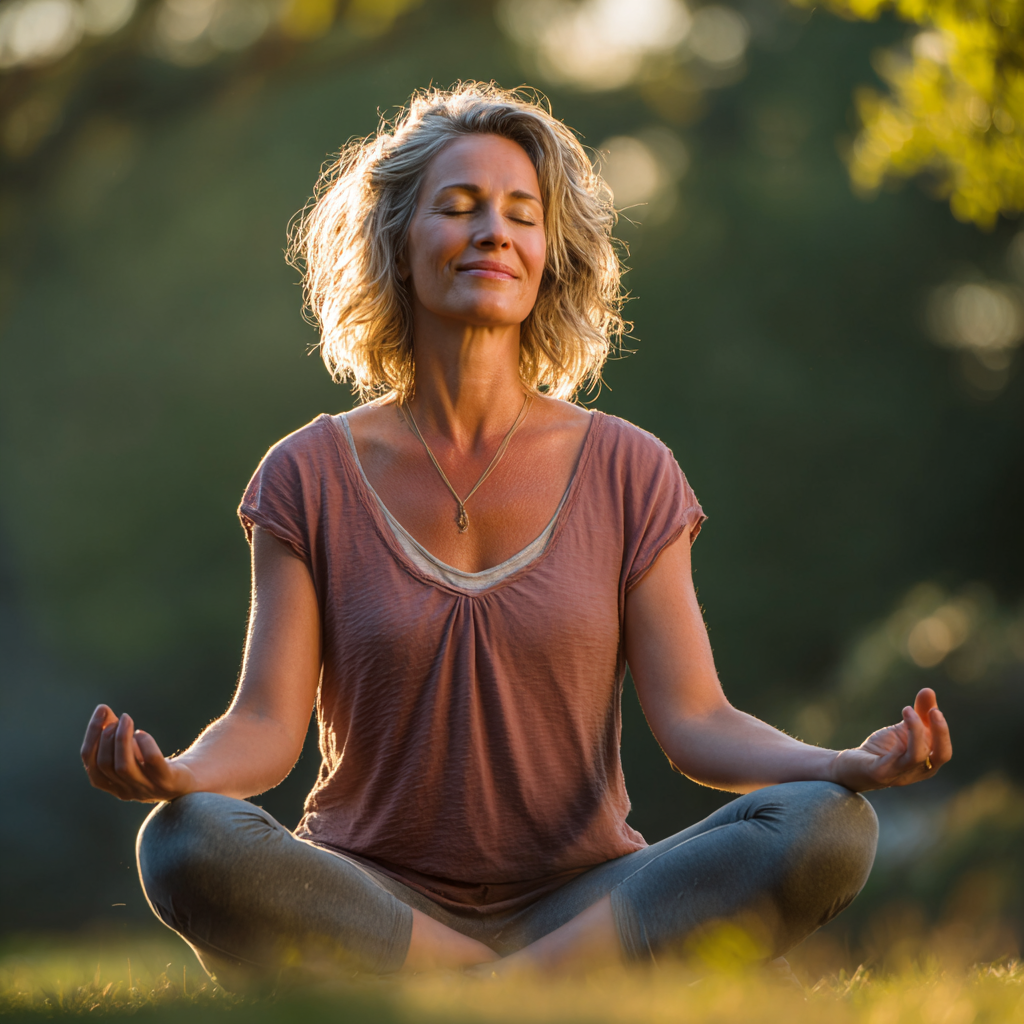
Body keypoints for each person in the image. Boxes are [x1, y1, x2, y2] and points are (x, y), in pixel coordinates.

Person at [80, 83, 951, 986]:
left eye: (521, 215)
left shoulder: (630, 468)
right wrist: (177, 775)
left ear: (548, 256)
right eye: (458, 208)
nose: (494, 231)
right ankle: (543, 994)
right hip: (372, 898)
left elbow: (697, 722)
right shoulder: (308, 472)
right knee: (187, 841)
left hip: (585, 899)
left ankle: (473, 998)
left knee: (827, 822)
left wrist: (839, 762)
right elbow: (265, 724)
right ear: (398, 247)